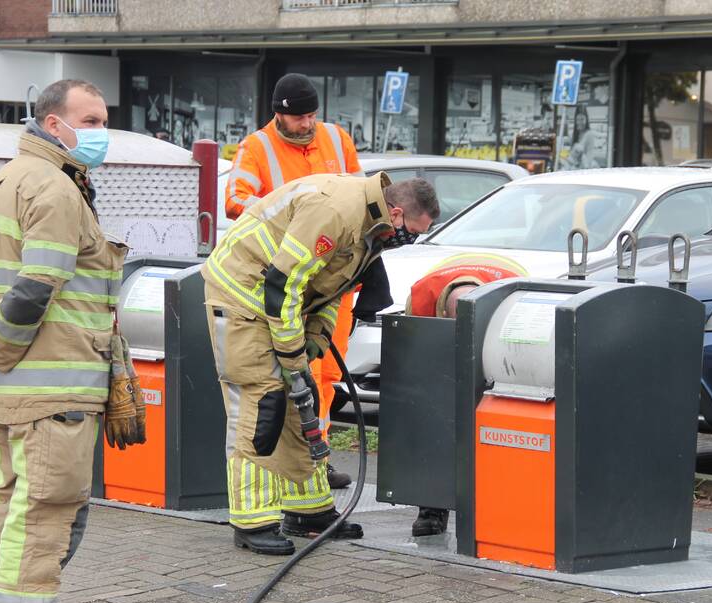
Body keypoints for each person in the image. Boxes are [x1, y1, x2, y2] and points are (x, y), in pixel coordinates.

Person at [0, 79, 128, 603]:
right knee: (43, 524)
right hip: (57, 395)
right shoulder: (55, 187)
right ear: (54, 124)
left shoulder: (5, 181)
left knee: (8, 518)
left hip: (16, 394)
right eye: (91, 120)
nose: (101, 132)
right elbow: (36, 286)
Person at [203, 174, 439, 555]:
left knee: (303, 400)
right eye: (412, 232)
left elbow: (331, 287)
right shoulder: (335, 211)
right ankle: (252, 521)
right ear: (396, 213)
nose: (409, 240)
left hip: (278, 301)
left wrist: (317, 335)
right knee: (262, 402)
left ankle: (308, 510)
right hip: (242, 295)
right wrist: (292, 357)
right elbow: (283, 283)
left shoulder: (372, 225)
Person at [224, 73, 362, 490]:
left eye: (312, 115)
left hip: (332, 280)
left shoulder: (336, 138)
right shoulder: (258, 146)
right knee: (295, 373)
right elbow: (235, 200)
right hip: (288, 281)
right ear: (279, 115)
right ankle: (296, 460)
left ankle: (318, 455)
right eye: (299, 118)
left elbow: (358, 193)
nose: (308, 124)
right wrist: (290, 216)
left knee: (327, 374)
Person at [405, 252, 527, 536]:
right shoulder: (421, 299)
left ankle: (498, 504)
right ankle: (433, 506)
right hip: (442, 335)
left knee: (498, 418)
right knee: (435, 416)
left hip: (499, 334)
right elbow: (418, 356)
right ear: (444, 314)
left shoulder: (513, 294)